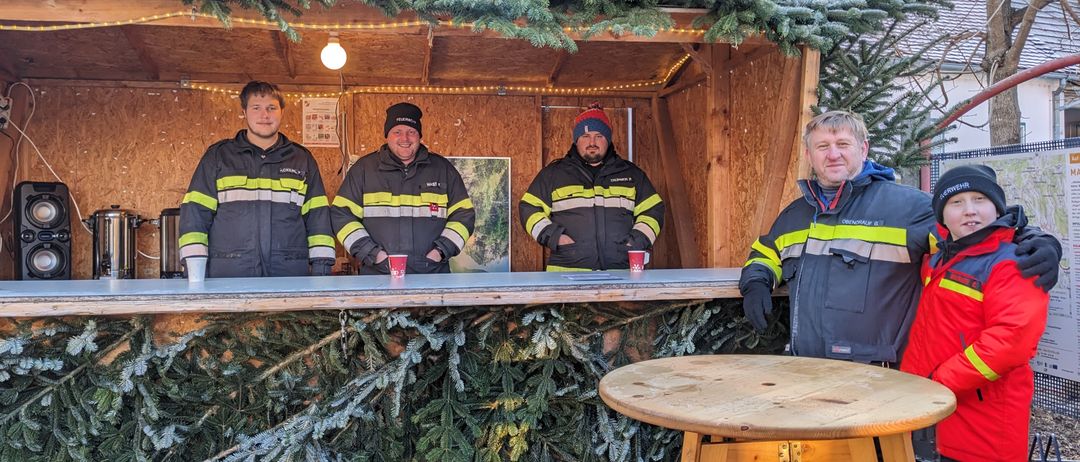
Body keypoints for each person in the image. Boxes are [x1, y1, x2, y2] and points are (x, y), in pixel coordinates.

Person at [739, 110, 1060, 364]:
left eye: (843, 145)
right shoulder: (796, 214)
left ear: (863, 149)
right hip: (806, 366)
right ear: (810, 155)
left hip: (878, 375)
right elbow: (766, 253)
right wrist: (756, 282)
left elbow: (976, 233)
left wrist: (1036, 240)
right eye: (823, 146)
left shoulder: (907, 208)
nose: (833, 154)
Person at [901, 165, 1048, 462]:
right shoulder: (939, 258)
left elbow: (1011, 343)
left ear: (997, 208)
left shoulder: (1015, 263)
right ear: (942, 217)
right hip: (931, 409)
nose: (970, 210)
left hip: (984, 421)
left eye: (980, 199)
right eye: (956, 202)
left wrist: (939, 382)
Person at [179, 81, 335, 277]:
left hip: (288, 276)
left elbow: (318, 220)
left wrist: (321, 272)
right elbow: (195, 215)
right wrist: (194, 274)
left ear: (282, 111)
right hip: (228, 276)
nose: (264, 115)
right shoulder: (219, 157)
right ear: (244, 112)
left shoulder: (302, 160)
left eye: (271, 108)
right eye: (256, 108)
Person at [330, 102, 474, 274]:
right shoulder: (364, 170)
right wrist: (373, 254)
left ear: (419, 136)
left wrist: (441, 251)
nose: (405, 139)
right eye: (397, 132)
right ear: (387, 135)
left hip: (432, 274)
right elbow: (341, 215)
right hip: (378, 274)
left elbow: (463, 215)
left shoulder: (443, 170)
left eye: (411, 132)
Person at [519, 103, 664, 271]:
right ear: (576, 140)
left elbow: (653, 210)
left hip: (621, 274)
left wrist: (635, 242)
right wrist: (555, 237)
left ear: (608, 139)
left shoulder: (632, 175)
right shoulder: (554, 174)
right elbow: (529, 208)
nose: (592, 142)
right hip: (566, 275)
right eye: (585, 136)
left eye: (599, 136)